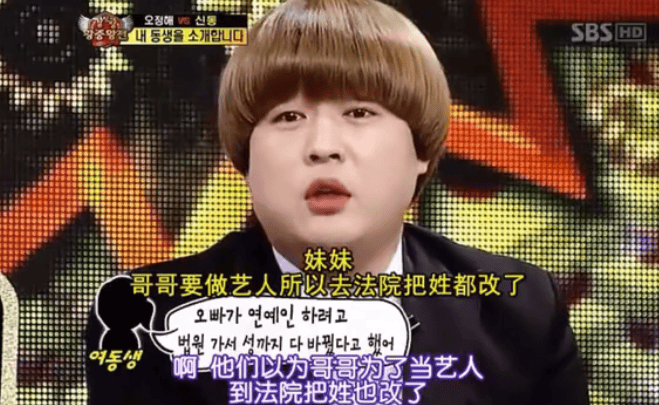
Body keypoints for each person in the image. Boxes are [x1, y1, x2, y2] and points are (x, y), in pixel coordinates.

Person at [85, 0, 590, 403]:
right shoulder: (143, 317)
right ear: (245, 158)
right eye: (288, 117)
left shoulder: (518, 310)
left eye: (359, 112)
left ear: (421, 149)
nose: (323, 146)